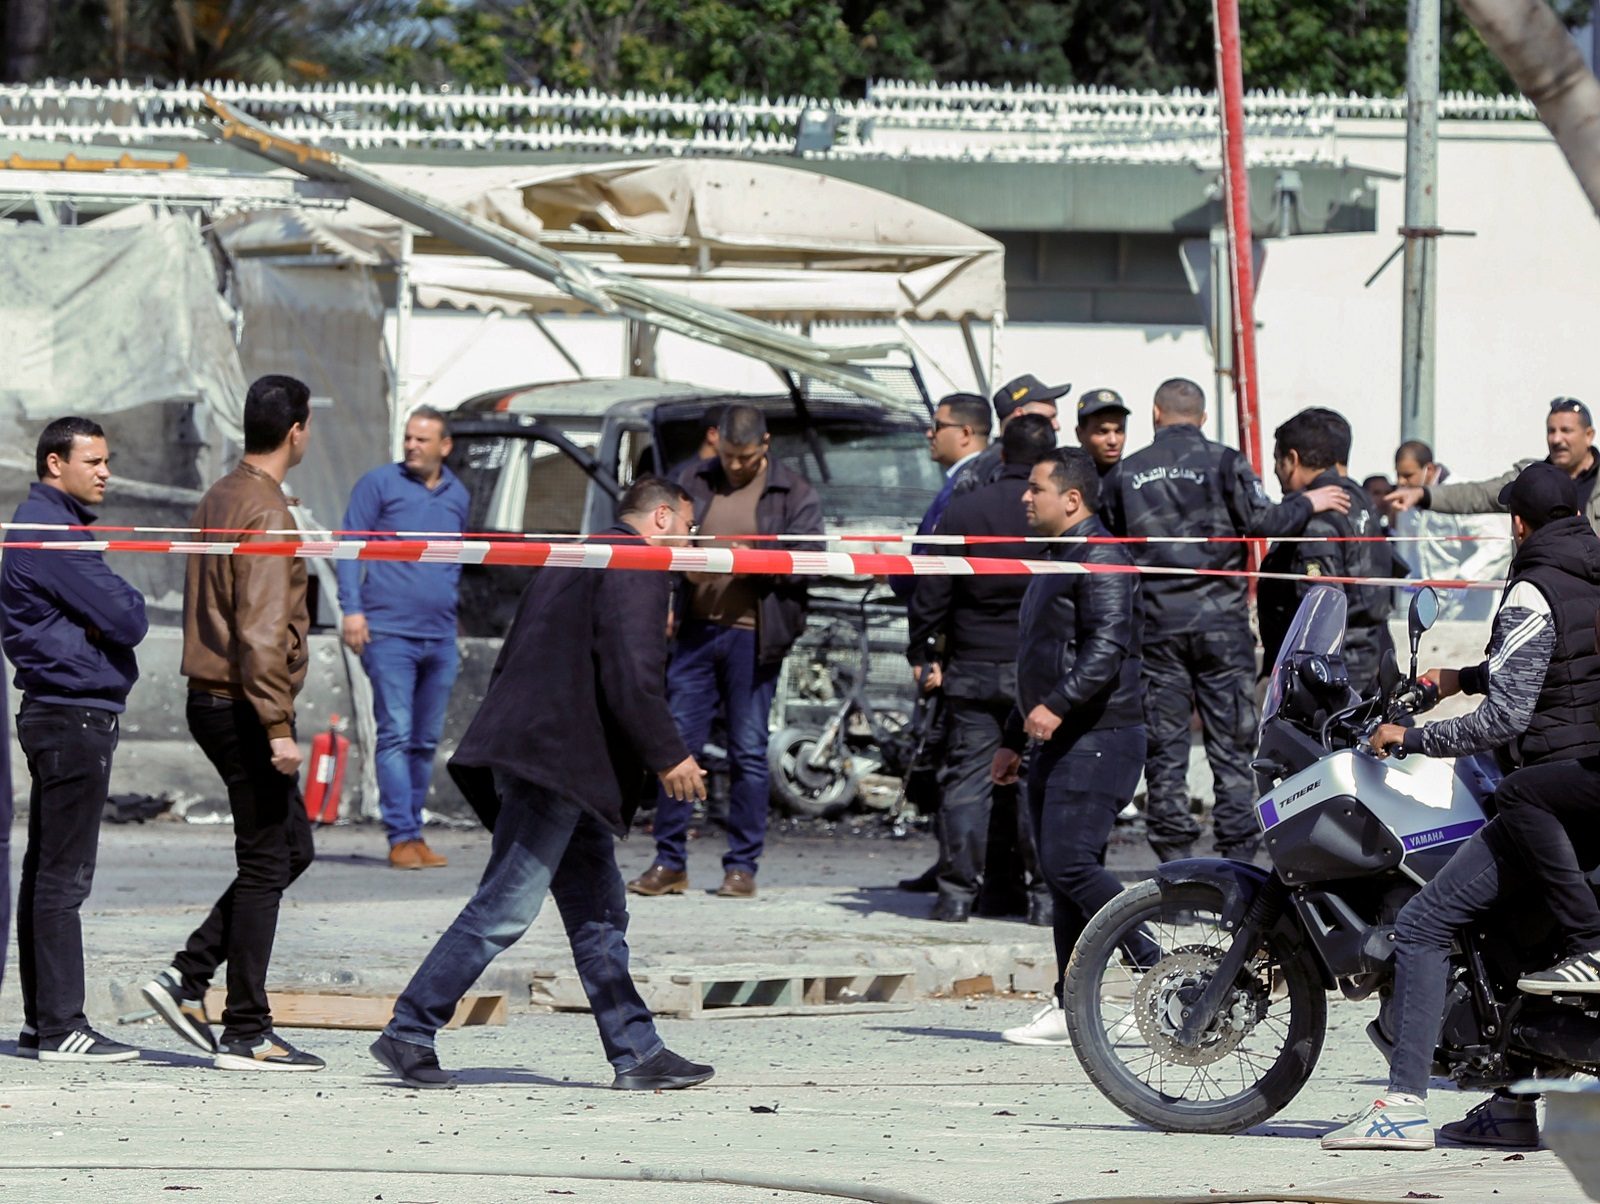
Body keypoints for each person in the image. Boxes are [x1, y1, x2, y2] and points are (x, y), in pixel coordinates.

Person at [370, 477, 714, 1091]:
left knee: (601, 915)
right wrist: (669, 756)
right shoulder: (636, 562)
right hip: (554, 761)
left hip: (558, 760)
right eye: (689, 529)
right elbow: (632, 672)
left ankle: (637, 1051)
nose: (691, 544)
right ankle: (410, 1028)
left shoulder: (578, 556)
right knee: (506, 905)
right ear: (662, 517)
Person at [1324, 462, 1600, 1151]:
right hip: (1582, 780)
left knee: (1422, 927)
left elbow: (1505, 719)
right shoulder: (1588, 575)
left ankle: (1403, 1109)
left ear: (1517, 524)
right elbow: (1553, 668)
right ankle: (1512, 1108)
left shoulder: (1535, 588)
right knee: (1507, 939)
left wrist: (1411, 735)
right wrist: (1457, 677)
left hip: (1554, 788)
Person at [141, 374, 323, 1073]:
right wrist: (278, 723)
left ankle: (187, 977)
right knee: (267, 859)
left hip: (214, 696)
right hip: (243, 701)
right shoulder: (268, 512)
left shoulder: (223, 492)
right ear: (298, 431)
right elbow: (260, 629)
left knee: (289, 849)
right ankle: (246, 1028)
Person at [1099, 379, 1350, 861]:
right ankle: (1237, 860)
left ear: (1155, 414)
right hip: (1221, 628)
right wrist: (1309, 503)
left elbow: (1105, 544)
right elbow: (1265, 522)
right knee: (1232, 748)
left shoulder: (1126, 473)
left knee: (1166, 751)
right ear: (1203, 417)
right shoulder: (1225, 462)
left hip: (1156, 628)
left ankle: (1174, 862)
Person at [990, 447, 1160, 1046]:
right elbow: (1038, 659)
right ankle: (1071, 1005)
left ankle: (1163, 977)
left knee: (1069, 866)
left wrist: (1057, 705)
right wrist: (1015, 735)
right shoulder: (1056, 558)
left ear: (1072, 498)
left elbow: (1107, 648)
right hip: (1057, 737)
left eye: (1036, 488)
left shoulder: (1103, 557)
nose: (1024, 497)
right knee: (1061, 875)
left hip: (1101, 735)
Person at [629, 405, 824, 900]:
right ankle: (669, 861)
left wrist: (751, 561)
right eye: (729, 456)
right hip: (695, 632)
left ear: (766, 445)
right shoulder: (691, 479)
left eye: (745, 457)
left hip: (754, 638)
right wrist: (670, 593)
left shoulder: (794, 492)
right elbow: (659, 541)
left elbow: (808, 561)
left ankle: (742, 866)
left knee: (748, 752)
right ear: (716, 443)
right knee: (678, 747)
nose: (735, 466)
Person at [1, 417, 149, 1063]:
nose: (105, 472)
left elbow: (112, 616)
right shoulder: (48, 532)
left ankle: (45, 1023)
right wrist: (110, 614)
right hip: (71, 718)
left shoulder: (60, 530)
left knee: (48, 874)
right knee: (63, 879)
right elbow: (128, 617)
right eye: (93, 460)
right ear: (54, 463)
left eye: (107, 460)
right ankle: (62, 1025)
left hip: (65, 714)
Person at [907, 414, 1057, 925]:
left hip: (971, 663)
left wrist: (922, 651)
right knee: (1036, 783)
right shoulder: (1055, 515)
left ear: (1000, 451)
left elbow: (933, 587)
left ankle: (954, 896)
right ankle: (1042, 900)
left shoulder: (966, 508)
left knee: (967, 783)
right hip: (1038, 670)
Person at [337, 406, 471, 870]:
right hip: (388, 631)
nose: (412, 446)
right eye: (408, 438)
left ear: (444, 446)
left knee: (426, 739)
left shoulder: (459, 494)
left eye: (422, 439)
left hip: (439, 637)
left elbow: (456, 560)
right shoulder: (379, 483)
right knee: (395, 732)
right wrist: (351, 609)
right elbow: (348, 545)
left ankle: (414, 831)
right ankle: (401, 835)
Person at [1258, 407, 1394, 696]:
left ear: (1292, 459)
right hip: (1366, 656)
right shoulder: (1358, 498)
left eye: (1277, 460)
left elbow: (1321, 608)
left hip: (1328, 673)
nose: (1274, 471)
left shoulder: (1317, 514)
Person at [1388, 397, 1600, 535]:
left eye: (1566, 431)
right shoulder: (1530, 478)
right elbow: (1478, 495)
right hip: (1543, 592)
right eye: (1551, 431)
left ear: (1589, 435)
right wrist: (1424, 495)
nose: (1556, 439)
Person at [1392, 440, 1511, 623]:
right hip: (1428, 606)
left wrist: (1465, 578)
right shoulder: (1407, 500)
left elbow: (1499, 544)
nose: (1401, 481)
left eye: (1408, 475)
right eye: (1398, 475)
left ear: (1429, 469)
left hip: (1470, 610)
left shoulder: (1460, 495)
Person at [888, 393, 992, 602]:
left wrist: (894, 574)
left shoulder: (967, 485)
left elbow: (936, 556)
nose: (929, 433)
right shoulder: (971, 477)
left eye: (938, 426)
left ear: (965, 433)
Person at [953, 373, 1070, 497]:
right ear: (1020, 415)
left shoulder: (987, 461)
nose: (1056, 426)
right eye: (1048, 418)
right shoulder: (999, 466)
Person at [1074, 389, 1129, 475]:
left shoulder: (1134, 478)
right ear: (1079, 434)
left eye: (1119, 431)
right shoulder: (1065, 479)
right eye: (1102, 432)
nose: (1113, 441)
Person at [668, 404, 726, 482]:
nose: (737, 440)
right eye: (730, 434)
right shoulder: (681, 476)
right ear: (712, 435)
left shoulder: (731, 472)